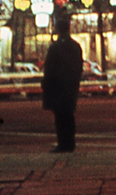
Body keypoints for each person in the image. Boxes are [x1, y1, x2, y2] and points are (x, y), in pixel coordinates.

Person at [41, 11, 83, 152]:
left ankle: (63, 143)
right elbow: (79, 67)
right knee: (69, 116)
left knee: (60, 117)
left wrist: (47, 84)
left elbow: (49, 68)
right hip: (70, 86)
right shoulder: (75, 46)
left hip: (57, 87)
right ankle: (70, 143)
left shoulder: (55, 47)